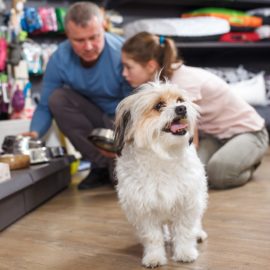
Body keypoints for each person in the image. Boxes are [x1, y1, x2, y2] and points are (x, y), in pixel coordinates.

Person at [121, 31, 269, 189]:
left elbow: (191, 137)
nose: (124, 73)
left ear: (151, 65)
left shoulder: (182, 82)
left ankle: (248, 162)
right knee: (194, 175)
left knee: (216, 175)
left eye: (129, 67)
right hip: (215, 137)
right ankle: (231, 160)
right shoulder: (161, 85)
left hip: (249, 132)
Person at [23, 2, 131, 190]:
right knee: (57, 99)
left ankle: (118, 166)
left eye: (94, 37)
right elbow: (45, 105)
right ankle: (99, 165)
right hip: (93, 117)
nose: (88, 46)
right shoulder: (60, 58)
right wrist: (34, 133)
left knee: (121, 183)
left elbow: (133, 106)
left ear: (103, 27)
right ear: (68, 36)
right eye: (79, 40)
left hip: (120, 120)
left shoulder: (122, 52)